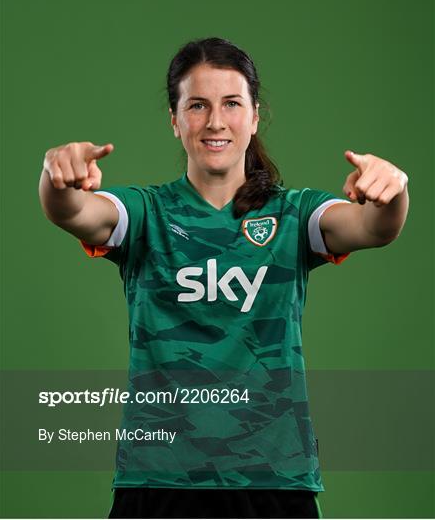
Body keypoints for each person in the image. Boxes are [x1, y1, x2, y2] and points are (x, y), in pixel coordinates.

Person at [39, 37, 409, 519]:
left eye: (232, 104)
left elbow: (374, 227)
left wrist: (393, 191)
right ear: (175, 120)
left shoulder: (295, 214)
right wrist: (56, 177)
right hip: (158, 479)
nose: (215, 121)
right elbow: (75, 212)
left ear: (255, 116)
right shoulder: (146, 212)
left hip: (274, 480)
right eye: (197, 105)